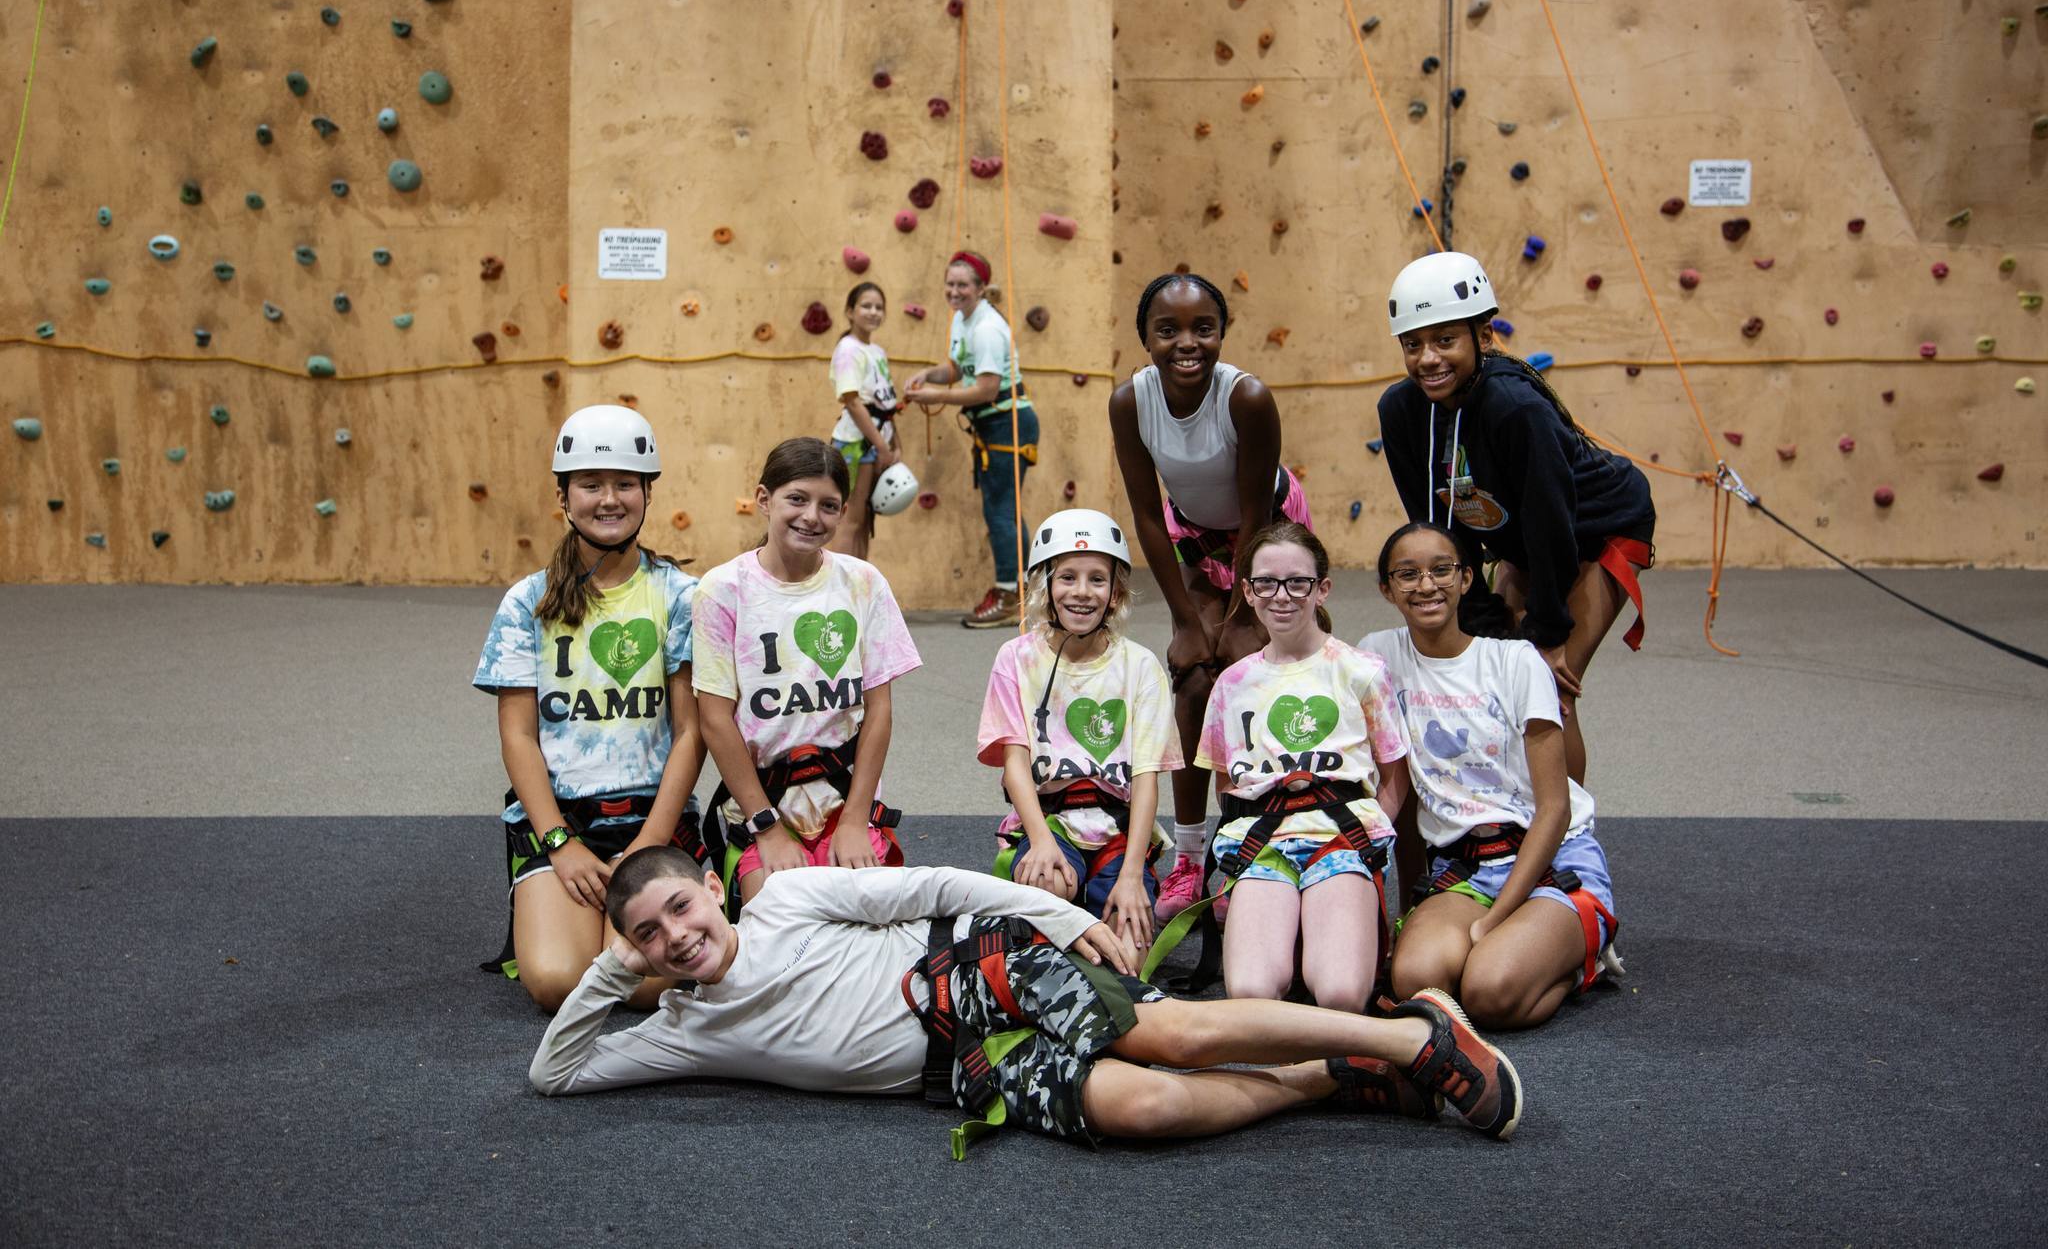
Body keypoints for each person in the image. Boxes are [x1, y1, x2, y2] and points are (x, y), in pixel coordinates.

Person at [528, 846, 1525, 1151]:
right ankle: (1324, 1078)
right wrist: (615, 974)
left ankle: (1405, 1039)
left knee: (1170, 1036)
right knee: (1140, 1107)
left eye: (678, 909)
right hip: (950, 1069)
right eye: (648, 935)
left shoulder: (784, 897)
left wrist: (1047, 920)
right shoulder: (682, 1027)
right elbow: (555, 1072)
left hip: (972, 967)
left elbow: (931, 888)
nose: (676, 938)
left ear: (709, 885)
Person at [1377, 250, 1656, 786]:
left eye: (1445, 340)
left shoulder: (1516, 407)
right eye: (1413, 344)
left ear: (1481, 338)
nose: (1428, 358)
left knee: (1542, 688)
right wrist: (1478, 611)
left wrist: (1548, 632)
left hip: (1598, 529)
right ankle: (1504, 828)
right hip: (1521, 538)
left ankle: (1566, 844)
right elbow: (1432, 522)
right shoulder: (1402, 411)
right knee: (1493, 678)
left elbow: (1551, 522)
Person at [473, 404, 704, 1012]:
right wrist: (559, 841)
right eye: (591, 485)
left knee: (653, 982)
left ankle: (626, 916)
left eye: (625, 484)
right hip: (561, 820)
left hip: (653, 816)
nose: (609, 499)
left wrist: (651, 844)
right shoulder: (526, 602)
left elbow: (690, 733)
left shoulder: (681, 596)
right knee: (555, 982)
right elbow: (518, 736)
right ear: (563, 495)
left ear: (647, 493)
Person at [1109, 271, 1312, 924]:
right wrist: (1184, 618)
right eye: (1167, 329)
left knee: (1253, 665)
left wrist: (1240, 612)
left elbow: (1256, 509)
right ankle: (1192, 853)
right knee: (1193, 675)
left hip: (1268, 531)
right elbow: (1146, 513)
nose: (1186, 343)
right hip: (1191, 536)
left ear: (1223, 332)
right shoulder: (1129, 401)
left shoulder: (1246, 397)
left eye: (1204, 327)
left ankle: (1273, 828)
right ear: (1145, 337)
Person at [1363, 522, 1622, 1028]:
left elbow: (1555, 809)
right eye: (1408, 574)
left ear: (1465, 579)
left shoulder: (1514, 661)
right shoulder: (1378, 656)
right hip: (1462, 868)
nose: (1426, 585)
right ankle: (1515, 948)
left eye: (1442, 570)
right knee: (1416, 979)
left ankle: (1581, 958)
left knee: (1489, 992)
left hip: (1550, 859)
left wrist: (1493, 921)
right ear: (1386, 589)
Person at [691, 437, 921, 906]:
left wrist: (856, 819)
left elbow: (878, 711)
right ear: (763, 499)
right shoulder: (723, 590)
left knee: (875, 928)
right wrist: (766, 829)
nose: (811, 516)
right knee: (782, 936)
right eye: (797, 499)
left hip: (844, 800)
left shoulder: (863, 583)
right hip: (765, 805)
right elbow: (715, 720)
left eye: (828, 505)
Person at [1192, 522, 1412, 1013]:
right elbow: (1226, 783)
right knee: (1249, 993)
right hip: (1264, 842)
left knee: (1338, 993)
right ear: (1247, 592)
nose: (1282, 596)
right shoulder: (1231, 684)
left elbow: (1395, 774)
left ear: (1322, 589)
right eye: (1266, 583)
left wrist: (1368, 843)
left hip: (1339, 838)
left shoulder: (1361, 671)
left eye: (1298, 582)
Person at [978, 509, 1177, 954]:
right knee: (1047, 889)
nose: (1082, 592)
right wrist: (1042, 842)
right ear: (1044, 583)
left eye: (1097, 580)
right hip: (1050, 821)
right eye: (1067, 577)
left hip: (1117, 830)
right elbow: (1015, 767)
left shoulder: (1140, 666)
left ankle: (1107, 893)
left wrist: (1130, 877)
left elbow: (1146, 780)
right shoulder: (1016, 658)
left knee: (1128, 957)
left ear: (1116, 591)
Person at [902, 250, 1037, 629]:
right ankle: (1019, 590)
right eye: (950, 284)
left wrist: (937, 397)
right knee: (1001, 509)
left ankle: (1013, 594)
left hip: (1007, 421)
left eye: (963, 285)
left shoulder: (987, 328)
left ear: (980, 289)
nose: (955, 291)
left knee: (1002, 512)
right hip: (992, 425)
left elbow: (987, 388)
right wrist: (929, 375)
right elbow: (958, 369)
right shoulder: (963, 321)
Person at [827, 281, 901, 561]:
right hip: (855, 442)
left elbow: (887, 403)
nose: (873, 312)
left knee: (865, 523)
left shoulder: (877, 351)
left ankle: (862, 590)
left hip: (876, 440)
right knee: (851, 519)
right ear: (850, 311)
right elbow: (853, 401)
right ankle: (843, 593)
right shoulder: (848, 349)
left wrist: (895, 443)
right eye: (866, 306)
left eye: (879, 307)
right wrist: (881, 445)